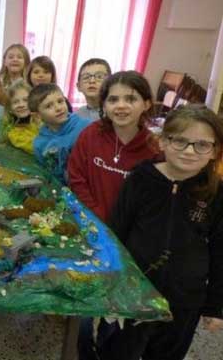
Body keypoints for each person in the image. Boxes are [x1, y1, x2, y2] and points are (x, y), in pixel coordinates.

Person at [87, 105, 223, 360]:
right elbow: (116, 233)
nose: (190, 151)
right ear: (162, 141)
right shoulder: (140, 179)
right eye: (179, 141)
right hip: (133, 294)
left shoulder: (216, 192)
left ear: (214, 150)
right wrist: (108, 284)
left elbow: (220, 250)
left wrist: (215, 307)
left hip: (184, 300)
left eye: (202, 145)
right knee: (115, 351)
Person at [68, 71, 158, 222]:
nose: (121, 106)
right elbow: (77, 178)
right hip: (90, 220)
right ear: (104, 105)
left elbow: (151, 201)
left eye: (131, 99)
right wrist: (96, 215)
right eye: (113, 100)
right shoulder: (90, 134)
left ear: (146, 104)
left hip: (129, 232)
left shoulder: (154, 149)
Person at [30, 83, 91, 183]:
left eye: (60, 101)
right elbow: (47, 175)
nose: (58, 108)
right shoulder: (39, 144)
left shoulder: (86, 127)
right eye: (49, 106)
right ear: (37, 116)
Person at [3, 79, 40, 154]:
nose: (21, 105)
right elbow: (38, 148)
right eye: (15, 102)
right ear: (10, 108)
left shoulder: (43, 119)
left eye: (26, 100)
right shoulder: (14, 133)